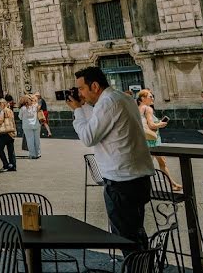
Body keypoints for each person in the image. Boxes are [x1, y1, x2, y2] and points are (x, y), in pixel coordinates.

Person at [67, 67, 155, 253]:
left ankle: (137, 268)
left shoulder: (108, 103)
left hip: (122, 181)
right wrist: (83, 107)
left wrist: (77, 111)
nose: (79, 93)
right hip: (136, 178)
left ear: (95, 86)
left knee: (127, 239)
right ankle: (144, 266)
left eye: (82, 88)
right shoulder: (121, 98)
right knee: (136, 233)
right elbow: (99, 123)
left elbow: (88, 136)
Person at [137, 89, 182, 191]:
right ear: (143, 98)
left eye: (152, 96)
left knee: (149, 164)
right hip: (153, 141)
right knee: (162, 164)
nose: (152, 98)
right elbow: (152, 125)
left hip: (143, 139)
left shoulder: (138, 108)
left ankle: (172, 184)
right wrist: (161, 124)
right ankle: (172, 184)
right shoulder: (148, 109)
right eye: (150, 96)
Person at [18, 94, 41, 159]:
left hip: (27, 126)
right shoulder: (35, 106)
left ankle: (32, 154)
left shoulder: (23, 108)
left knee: (30, 140)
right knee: (37, 140)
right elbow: (37, 102)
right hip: (36, 124)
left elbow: (20, 117)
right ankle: (38, 153)